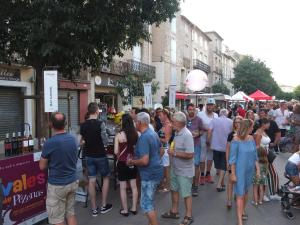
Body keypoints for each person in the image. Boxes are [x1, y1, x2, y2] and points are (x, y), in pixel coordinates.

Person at [39, 112, 79, 225]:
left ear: (51, 124)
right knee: (70, 213)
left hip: (57, 185)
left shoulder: (49, 143)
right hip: (73, 181)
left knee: (57, 219)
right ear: (65, 123)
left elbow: (42, 166)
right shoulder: (73, 139)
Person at [127, 112, 163, 225]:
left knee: (146, 205)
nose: (134, 124)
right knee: (149, 202)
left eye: (135, 122)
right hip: (156, 171)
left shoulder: (144, 137)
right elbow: (161, 151)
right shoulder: (153, 133)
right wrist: (155, 161)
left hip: (149, 175)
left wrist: (132, 161)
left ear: (139, 123)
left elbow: (144, 160)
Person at [162, 112, 194, 225]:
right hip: (175, 168)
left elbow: (190, 154)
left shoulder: (187, 135)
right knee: (174, 190)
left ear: (179, 123)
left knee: (186, 193)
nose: (171, 123)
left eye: (173, 122)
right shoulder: (177, 132)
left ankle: (188, 216)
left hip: (184, 170)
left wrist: (174, 153)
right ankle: (174, 211)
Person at [80, 102, 112, 216]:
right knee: (106, 178)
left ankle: (94, 209)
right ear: (97, 111)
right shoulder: (101, 124)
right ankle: (103, 205)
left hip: (89, 155)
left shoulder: (83, 125)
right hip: (100, 155)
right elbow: (105, 140)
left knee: (91, 181)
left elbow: (82, 141)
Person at [229, 119, 260, 225]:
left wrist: (258, 170)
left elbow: (255, 156)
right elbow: (232, 159)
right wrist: (233, 174)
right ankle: (239, 221)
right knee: (240, 195)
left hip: (249, 170)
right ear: (248, 127)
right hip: (239, 171)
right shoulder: (235, 140)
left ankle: (242, 210)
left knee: (246, 192)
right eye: (252, 127)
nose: (253, 129)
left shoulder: (251, 138)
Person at [114, 114, 139, 216]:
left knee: (123, 187)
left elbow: (116, 151)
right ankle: (134, 208)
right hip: (133, 162)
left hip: (122, 163)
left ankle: (125, 210)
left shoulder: (119, 135)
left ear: (123, 122)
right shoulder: (136, 134)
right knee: (134, 186)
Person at [255, 117, 281, 201]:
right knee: (263, 176)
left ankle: (271, 193)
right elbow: (257, 147)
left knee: (272, 174)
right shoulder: (258, 133)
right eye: (268, 123)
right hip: (262, 157)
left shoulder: (263, 132)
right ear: (264, 124)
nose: (269, 125)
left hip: (266, 156)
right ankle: (262, 195)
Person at [207, 109, 233, 192]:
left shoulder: (214, 120)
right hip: (226, 146)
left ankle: (219, 184)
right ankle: (221, 183)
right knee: (223, 165)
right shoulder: (230, 121)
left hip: (215, 146)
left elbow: (209, 131)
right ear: (227, 114)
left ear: (219, 114)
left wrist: (208, 141)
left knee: (219, 164)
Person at [197, 98, 218, 185]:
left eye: (211, 105)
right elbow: (196, 124)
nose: (210, 106)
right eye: (208, 105)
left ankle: (208, 174)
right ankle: (202, 175)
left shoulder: (216, 115)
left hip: (212, 138)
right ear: (206, 106)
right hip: (202, 137)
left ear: (214, 106)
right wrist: (205, 129)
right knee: (202, 157)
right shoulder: (200, 114)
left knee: (210, 156)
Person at [186, 103, 204, 197]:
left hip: (196, 145)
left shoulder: (199, 120)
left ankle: (195, 186)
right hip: (186, 146)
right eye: (190, 109)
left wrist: (198, 133)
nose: (191, 111)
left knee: (196, 165)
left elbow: (203, 130)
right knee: (187, 165)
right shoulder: (184, 120)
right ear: (187, 110)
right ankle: (187, 185)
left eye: (193, 109)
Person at [226, 116, 243, 209]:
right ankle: (229, 199)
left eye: (239, 122)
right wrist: (227, 161)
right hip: (232, 160)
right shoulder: (231, 134)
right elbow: (227, 148)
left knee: (239, 180)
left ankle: (237, 195)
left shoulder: (245, 134)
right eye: (236, 122)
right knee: (231, 181)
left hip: (241, 160)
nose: (237, 124)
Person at [158, 108, 173, 192]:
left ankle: (167, 186)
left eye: (160, 115)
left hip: (166, 149)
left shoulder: (168, 125)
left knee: (166, 168)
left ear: (165, 115)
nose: (159, 117)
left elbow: (166, 140)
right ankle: (164, 184)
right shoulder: (165, 124)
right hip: (163, 149)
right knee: (164, 168)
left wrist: (156, 138)